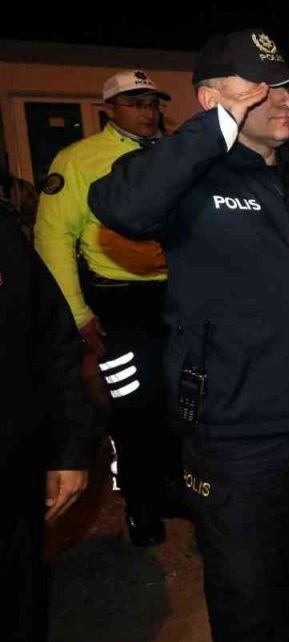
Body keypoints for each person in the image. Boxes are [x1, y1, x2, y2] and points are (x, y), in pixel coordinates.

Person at [89, 30, 289, 642]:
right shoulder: (190, 175)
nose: (285, 101)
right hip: (236, 430)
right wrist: (215, 123)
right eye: (264, 88)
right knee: (246, 587)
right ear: (214, 97)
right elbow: (119, 208)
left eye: (287, 87)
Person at [34, 69, 180, 546]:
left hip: (182, 295)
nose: (146, 111)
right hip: (121, 300)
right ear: (108, 110)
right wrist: (77, 314)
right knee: (134, 404)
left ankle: (179, 488)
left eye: (152, 102)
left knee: (189, 398)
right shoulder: (78, 160)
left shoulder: (177, 151)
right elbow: (54, 239)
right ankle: (141, 504)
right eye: (134, 102)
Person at [1, 205, 95, 642]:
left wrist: (67, 448)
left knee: (18, 627)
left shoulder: (2, 235)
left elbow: (52, 342)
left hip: (12, 479)